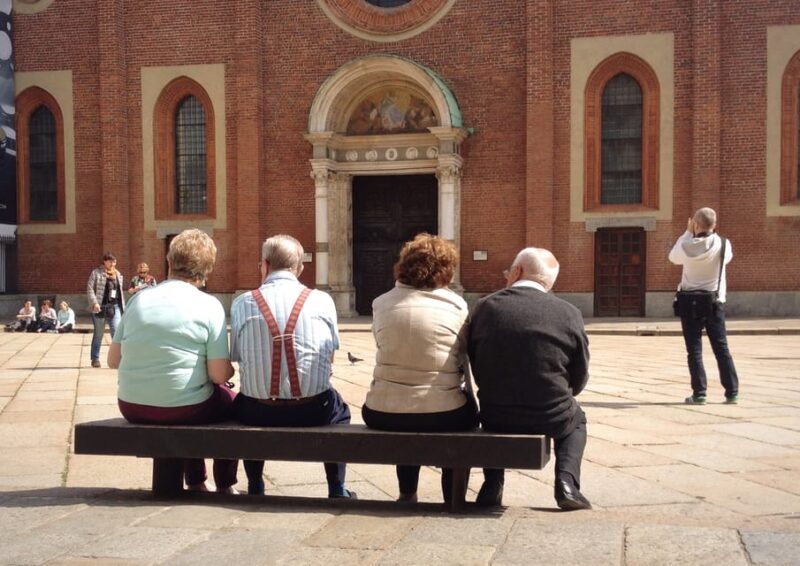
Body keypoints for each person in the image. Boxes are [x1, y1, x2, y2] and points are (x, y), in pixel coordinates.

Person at [108, 229, 238, 494]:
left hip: (131, 406)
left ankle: (196, 480)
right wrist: (229, 368)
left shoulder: (138, 299)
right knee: (228, 402)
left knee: (194, 394)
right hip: (185, 408)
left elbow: (113, 360)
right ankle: (224, 484)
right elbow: (217, 375)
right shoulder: (209, 305)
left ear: (169, 262)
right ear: (206, 270)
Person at [230, 234, 355, 498]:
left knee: (242, 400)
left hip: (257, 412)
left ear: (264, 265)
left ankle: (255, 485)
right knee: (341, 411)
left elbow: (239, 357)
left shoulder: (243, 302)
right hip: (313, 411)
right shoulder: (322, 300)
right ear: (300, 268)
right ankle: (336, 487)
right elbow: (330, 357)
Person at [468, 247, 591, 511]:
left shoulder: (485, 307)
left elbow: (476, 362)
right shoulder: (569, 312)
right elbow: (579, 375)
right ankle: (566, 484)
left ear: (516, 272)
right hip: (551, 415)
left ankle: (493, 484)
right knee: (577, 420)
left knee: (490, 412)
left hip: (496, 415)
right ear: (548, 282)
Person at [363, 233, 478, 503]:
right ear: (447, 270)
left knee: (405, 404)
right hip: (444, 413)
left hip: (382, 412)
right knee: (464, 415)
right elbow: (462, 355)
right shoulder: (457, 306)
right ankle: (452, 495)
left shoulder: (380, 304)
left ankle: (407, 492)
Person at [669, 207, 739, 405]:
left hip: (689, 303)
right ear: (714, 224)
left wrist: (686, 232)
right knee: (721, 348)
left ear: (696, 224)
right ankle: (732, 392)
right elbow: (728, 260)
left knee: (694, 349)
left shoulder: (686, 246)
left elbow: (672, 257)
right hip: (715, 302)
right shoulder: (724, 245)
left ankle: (700, 393)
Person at [86, 252, 125, 368]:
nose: (112, 263)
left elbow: (119, 292)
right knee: (99, 334)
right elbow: (89, 289)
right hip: (100, 307)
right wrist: (94, 303)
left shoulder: (118, 274)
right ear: (104, 261)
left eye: (114, 261)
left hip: (114, 307)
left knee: (116, 332)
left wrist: (123, 307)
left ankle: (119, 359)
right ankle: (95, 358)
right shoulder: (96, 273)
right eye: (110, 261)